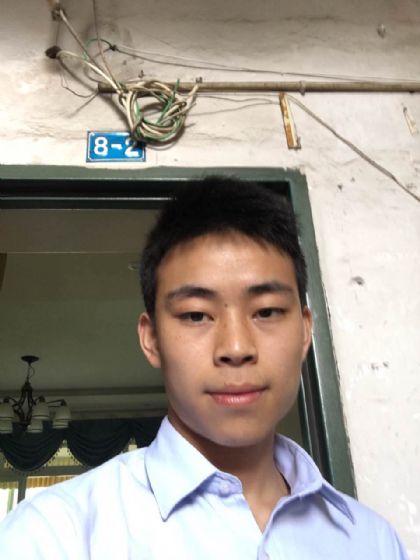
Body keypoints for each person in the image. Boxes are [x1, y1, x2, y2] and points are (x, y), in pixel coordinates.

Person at [0, 176, 408, 559]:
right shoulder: (56, 535)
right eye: (196, 315)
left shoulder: (372, 540)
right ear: (151, 339)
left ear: (304, 332)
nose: (236, 348)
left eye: (267, 311)